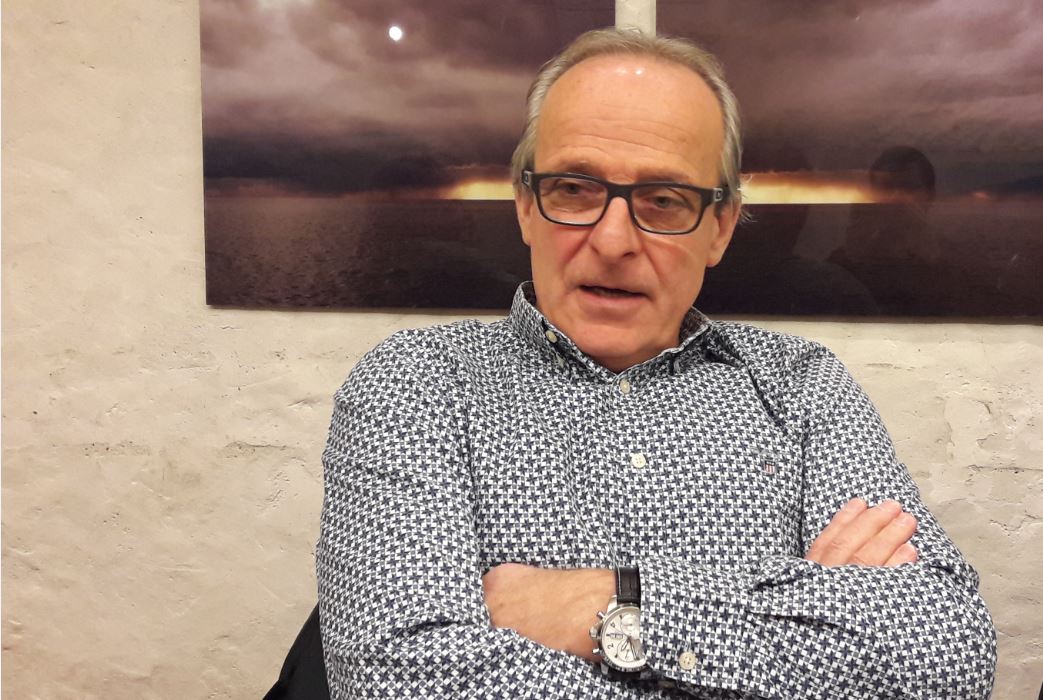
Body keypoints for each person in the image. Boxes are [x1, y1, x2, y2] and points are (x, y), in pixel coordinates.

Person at [316, 28, 996, 698]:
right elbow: (394, 677)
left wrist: (610, 605)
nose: (613, 241)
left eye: (664, 201)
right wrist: (799, 635)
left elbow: (946, 657)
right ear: (525, 206)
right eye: (574, 188)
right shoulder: (417, 383)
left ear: (719, 228)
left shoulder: (801, 387)